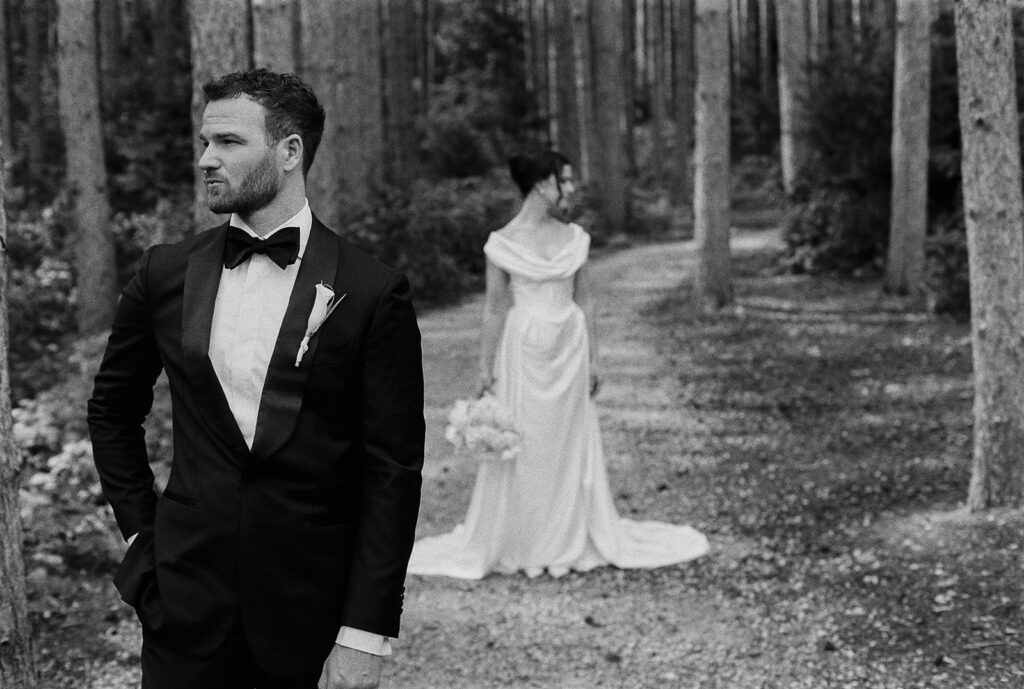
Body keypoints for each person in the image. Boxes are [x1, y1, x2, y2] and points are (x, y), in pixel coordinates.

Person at [87, 68, 424, 689]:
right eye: (204, 142)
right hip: (183, 605)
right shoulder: (163, 273)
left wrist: (364, 632)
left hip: (311, 610)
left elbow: (392, 471)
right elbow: (111, 409)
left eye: (228, 142)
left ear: (289, 151)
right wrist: (140, 536)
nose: (206, 159)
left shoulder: (372, 290)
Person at [407, 148, 708, 580]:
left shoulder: (575, 238)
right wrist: (485, 369)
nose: (570, 187)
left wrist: (595, 358)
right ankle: (526, 540)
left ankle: (572, 534)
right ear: (541, 184)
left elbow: (586, 299)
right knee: (528, 441)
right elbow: (495, 309)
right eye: (564, 179)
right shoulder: (501, 243)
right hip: (523, 352)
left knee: (569, 441)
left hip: (570, 349)